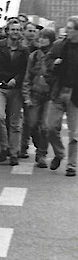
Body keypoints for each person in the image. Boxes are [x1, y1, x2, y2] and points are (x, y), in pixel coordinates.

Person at [0, 18, 28, 166]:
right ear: (8, 31)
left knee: (15, 123)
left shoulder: (24, 50)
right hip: (0, 87)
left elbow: (25, 69)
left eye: (18, 29)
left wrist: (16, 80)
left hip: (15, 90)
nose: (15, 32)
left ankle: (14, 153)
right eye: (13, 29)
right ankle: (4, 145)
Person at [45, 16, 78, 176]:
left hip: (75, 94)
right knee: (50, 127)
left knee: (74, 133)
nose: (67, 30)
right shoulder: (59, 45)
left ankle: (71, 165)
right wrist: (53, 65)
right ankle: (59, 153)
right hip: (59, 90)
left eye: (71, 28)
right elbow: (47, 61)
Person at [24, 27, 57, 168]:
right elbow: (27, 77)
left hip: (50, 96)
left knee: (45, 126)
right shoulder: (34, 56)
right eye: (41, 37)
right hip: (35, 94)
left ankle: (42, 153)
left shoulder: (55, 56)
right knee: (31, 124)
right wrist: (26, 95)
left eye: (45, 37)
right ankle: (38, 146)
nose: (42, 40)